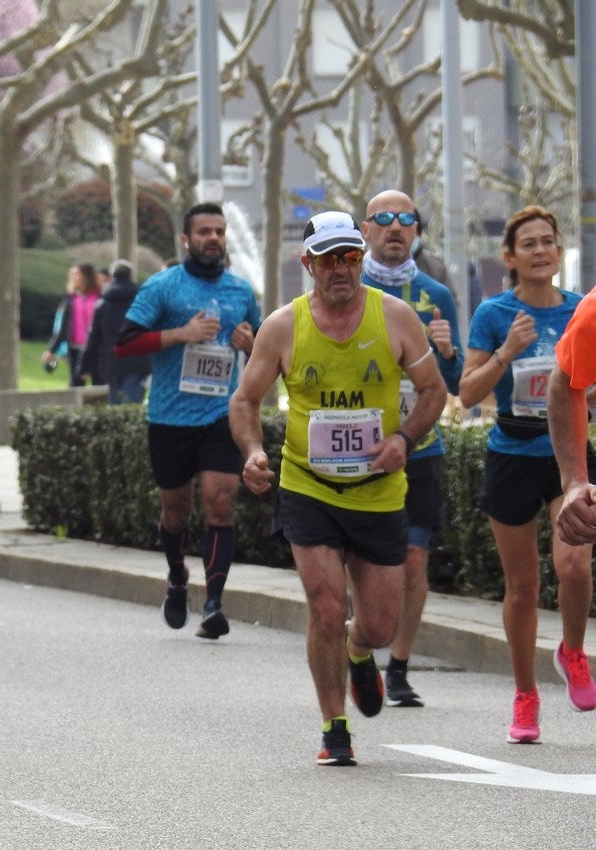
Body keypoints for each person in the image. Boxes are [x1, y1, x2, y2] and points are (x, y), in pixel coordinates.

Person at [230, 211, 445, 766]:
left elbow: (433, 392)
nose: (342, 269)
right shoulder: (284, 326)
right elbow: (245, 400)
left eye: (350, 256)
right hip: (309, 486)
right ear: (308, 265)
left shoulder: (395, 318)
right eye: (329, 259)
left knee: (378, 624)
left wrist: (403, 438)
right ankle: (334, 728)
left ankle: (358, 652)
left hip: (377, 491)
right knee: (325, 608)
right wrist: (254, 452)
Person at [458, 205, 596, 744]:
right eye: (529, 244)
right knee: (523, 586)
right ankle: (525, 695)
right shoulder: (495, 314)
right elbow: (467, 392)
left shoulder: (580, 310)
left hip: (571, 459)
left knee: (576, 567)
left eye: (549, 242)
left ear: (560, 251)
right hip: (512, 453)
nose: (541, 251)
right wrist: (508, 352)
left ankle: (573, 653)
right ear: (509, 257)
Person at [113, 201, 261, 640]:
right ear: (186, 240)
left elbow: (265, 353)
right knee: (174, 512)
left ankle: (214, 603)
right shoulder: (163, 287)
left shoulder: (240, 291)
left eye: (219, 231)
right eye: (204, 232)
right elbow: (124, 344)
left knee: (219, 502)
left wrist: (250, 342)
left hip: (222, 414)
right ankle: (178, 577)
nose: (213, 238)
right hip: (169, 417)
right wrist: (180, 334)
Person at [359, 192, 464, 708]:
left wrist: (447, 351)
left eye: (406, 220)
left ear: (417, 231)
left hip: (420, 446)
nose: (396, 228)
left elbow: (457, 381)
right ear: (366, 229)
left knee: (414, 560)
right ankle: (362, 649)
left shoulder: (436, 294)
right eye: (384, 219)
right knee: (365, 561)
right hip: (358, 449)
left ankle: (398, 667)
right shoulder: (348, 286)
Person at [79, 259, 151, 404]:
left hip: (112, 361)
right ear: (131, 277)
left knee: (115, 403)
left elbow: (93, 338)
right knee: (131, 405)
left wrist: (83, 367)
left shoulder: (102, 305)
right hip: (137, 361)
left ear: (112, 277)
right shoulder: (142, 302)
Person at [43, 264, 101, 387]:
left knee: (99, 384)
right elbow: (63, 327)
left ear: (87, 277)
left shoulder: (99, 296)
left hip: (96, 349)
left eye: (76, 274)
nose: (72, 277)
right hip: (75, 348)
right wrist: (51, 350)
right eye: (71, 274)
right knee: (75, 385)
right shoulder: (71, 298)